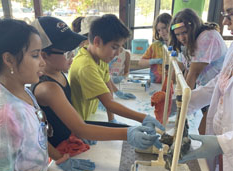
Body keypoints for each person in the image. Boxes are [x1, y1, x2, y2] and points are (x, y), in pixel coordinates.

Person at [31, 16, 164, 163]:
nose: (72, 56)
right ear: (43, 56)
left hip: (72, 134)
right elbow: (81, 128)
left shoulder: (57, 72)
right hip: (61, 148)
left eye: (73, 51)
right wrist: (129, 131)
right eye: (67, 53)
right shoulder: (48, 87)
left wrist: (116, 121)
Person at [0, 18, 77, 171]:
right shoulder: (4, 116)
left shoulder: (25, 92)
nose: (42, 62)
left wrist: (59, 157)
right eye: (35, 55)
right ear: (8, 59)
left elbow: (39, 133)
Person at [180, 0, 233, 171]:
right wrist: (184, 101)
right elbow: (216, 86)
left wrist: (221, 141)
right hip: (227, 141)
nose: (225, 21)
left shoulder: (208, 37)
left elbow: (194, 73)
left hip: (229, 141)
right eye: (224, 13)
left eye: (230, 14)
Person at [69, 14, 160, 129]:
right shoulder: (86, 66)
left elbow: (108, 87)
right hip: (78, 121)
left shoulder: (99, 58)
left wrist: (111, 118)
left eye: (120, 48)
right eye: (114, 47)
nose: (117, 54)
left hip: (89, 116)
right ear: (97, 41)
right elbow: (109, 103)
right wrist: (143, 118)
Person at [169, 8, 227, 134]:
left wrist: (181, 106)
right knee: (205, 128)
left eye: (184, 33)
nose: (181, 38)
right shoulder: (189, 42)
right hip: (207, 89)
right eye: (177, 35)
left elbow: (193, 73)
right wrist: (179, 97)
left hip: (220, 90)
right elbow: (186, 70)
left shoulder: (207, 37)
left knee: (206, 130)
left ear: (193, 27)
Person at [138, 13, 172, 84]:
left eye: (164, 28)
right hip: (156, 83)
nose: (161, 32)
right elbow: (141, 63)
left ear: (170, 26)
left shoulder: (178, 46)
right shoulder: (155, 46)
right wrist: (155, 61)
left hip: (172, 84)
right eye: (159, 30)